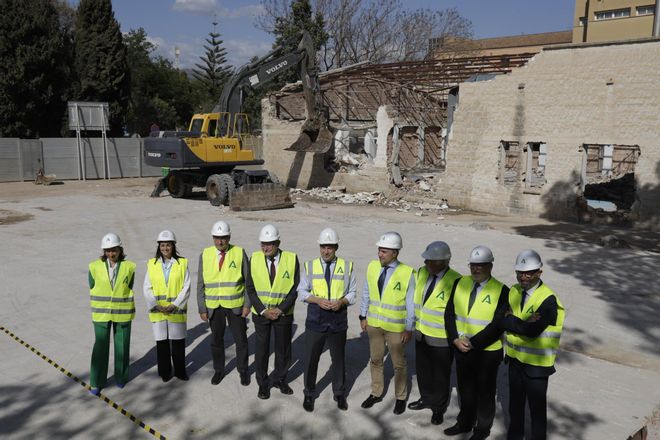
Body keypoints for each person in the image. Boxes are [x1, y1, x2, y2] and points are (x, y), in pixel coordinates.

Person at [444, 246, 510, 440]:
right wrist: (455, 339)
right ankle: (465, 422)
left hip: (487, 352)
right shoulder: (459, 283)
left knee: (485, 392)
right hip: (461, 348)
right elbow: (449, 313)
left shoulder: (502, 291)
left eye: (481, 265)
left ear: (490, 266)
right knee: (465, 389)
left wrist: (473, 342)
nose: (476, 269)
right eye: (473, 265)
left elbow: (497, 325)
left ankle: (482, 428)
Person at [501, 250, 564, 440]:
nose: (523, 276)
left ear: (539, 273)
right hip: (514, 361)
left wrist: (510, 318)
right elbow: (499, 320)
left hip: (536, 366)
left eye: (529, 273)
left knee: (537, 412)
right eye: (520, 272)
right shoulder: (513, 291)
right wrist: (522, 321)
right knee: (515, 406)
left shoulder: (548, 300)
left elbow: (532, 330)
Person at [298, 228, 357, 412]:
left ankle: (339, 393)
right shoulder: (310, 266)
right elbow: (302, 292)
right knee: (310, 359)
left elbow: (353, 292)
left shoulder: (347, 267)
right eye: (323, 246)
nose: (326, 251)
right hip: (316, 318)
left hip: (338, 319)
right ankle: (309, 393)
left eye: (330, 247)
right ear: (319, 247)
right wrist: (317, 300)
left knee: (338, 359)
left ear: (336, 247)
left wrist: (341, 301)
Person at [359, 232, 416, 415]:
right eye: (379, 250)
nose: (379, 254)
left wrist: (409, 327)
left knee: (398, 364)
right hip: (374, 324)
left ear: (395, 253)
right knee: (375, 360)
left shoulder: (407, 273)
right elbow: (367, 292)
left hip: (395, 328)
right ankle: (376, 393)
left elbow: (410, 303)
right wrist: (362, 315)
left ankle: (400, 397)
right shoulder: (372, 267)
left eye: (384, 251)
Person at [408, 241, 462, 425]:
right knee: (423, 370)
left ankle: (438, 408)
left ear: (442, 262)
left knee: (440, 374)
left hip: (441, 338)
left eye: (430, 260)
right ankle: (425, 398)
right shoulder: (423, 272)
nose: (425, 263)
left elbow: (459, 312)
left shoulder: (456, 280)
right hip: (421, 332)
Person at [246, 224, 300, 400]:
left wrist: (280, 309)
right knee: (261, 350)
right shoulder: (254, 259)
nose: (265, 247)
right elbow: (250, 289)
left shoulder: (291, 259)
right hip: (261, 315)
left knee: (283, 349)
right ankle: (263, 383)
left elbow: (295, 289)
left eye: (269, 244)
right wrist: (263, 311)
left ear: (278, 242)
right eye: (263, 243)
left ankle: (280, 379)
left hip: (283, 314)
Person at [197, 221, 251, 386]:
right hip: (214, 307)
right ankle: (219, 370)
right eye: (217, 238)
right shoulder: (205, 254)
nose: (220, 242)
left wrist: (247, 304)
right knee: (216, 341)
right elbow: (201, 283)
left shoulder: (239, 252)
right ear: (213, 238)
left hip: (235, 306)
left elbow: (249, 281)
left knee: (241, 340)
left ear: (229, 237)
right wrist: (202, 307)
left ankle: (243, 370)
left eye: (223, 238)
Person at [88, 233, 136, 395]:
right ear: (104, 251)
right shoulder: (94, 267)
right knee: (100, 347)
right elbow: (92, 285)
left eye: (114, 250)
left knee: (122, 346)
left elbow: (129, 285)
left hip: (122, 313)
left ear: (120, 250)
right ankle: (96, 382)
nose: (111, 254)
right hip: (101, 315)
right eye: (107, 251)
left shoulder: (129, 267)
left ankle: (121, 377)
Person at [143, 230, 190, 382]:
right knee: (162, 344)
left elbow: (186, 287)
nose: (165, 248)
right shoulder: (152, 264)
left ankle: (180, 371)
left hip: (176, 311)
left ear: (173, 246)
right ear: (159, 247)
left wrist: (175, 305)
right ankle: (164, 372)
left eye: (168, 245)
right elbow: (147, 287)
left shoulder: (182, 263)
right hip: (158, 311)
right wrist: (155, 304)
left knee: (178, 343)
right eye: (162, 245)